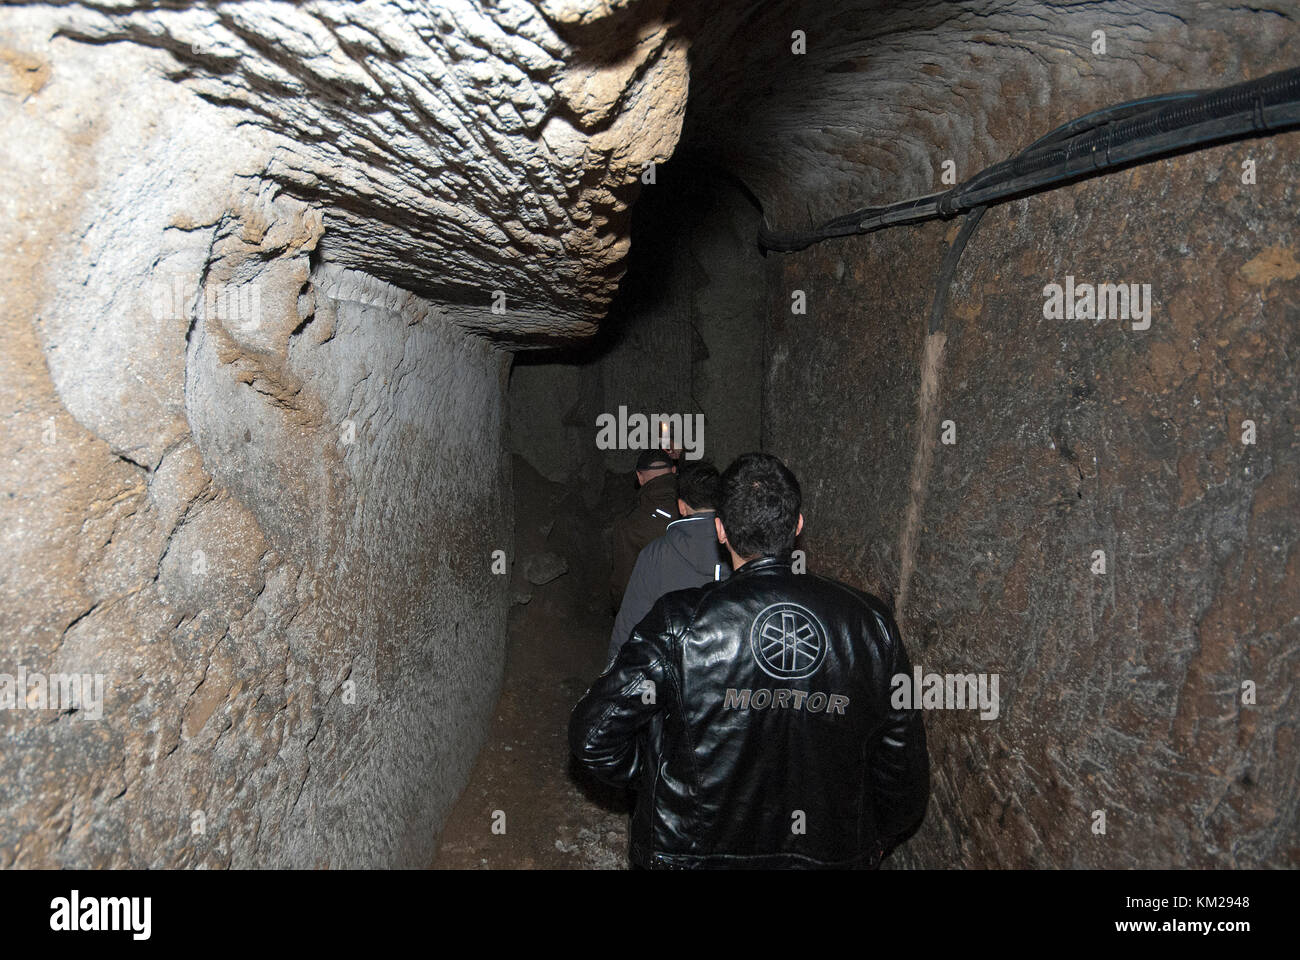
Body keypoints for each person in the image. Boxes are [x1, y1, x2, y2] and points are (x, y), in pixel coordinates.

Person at [570, 452, 929, 869]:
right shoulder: (871, 625)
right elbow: (903, 776)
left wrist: (665, 781)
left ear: (720, 530)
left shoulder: (678, 623)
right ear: (797, 525)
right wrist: (868, 840)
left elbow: (593, 736)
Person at [608, 461, 730, 665]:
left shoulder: (655, 554)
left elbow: (629, 624)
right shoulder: (741, 550)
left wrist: (614, 676)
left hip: (673, 672)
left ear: (681, 506)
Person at [608, 449, 678, 611]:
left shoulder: (629, 525)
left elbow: (624, 582)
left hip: (653, 614)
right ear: (673, 471)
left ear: (639, 477)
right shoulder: (692, 511)